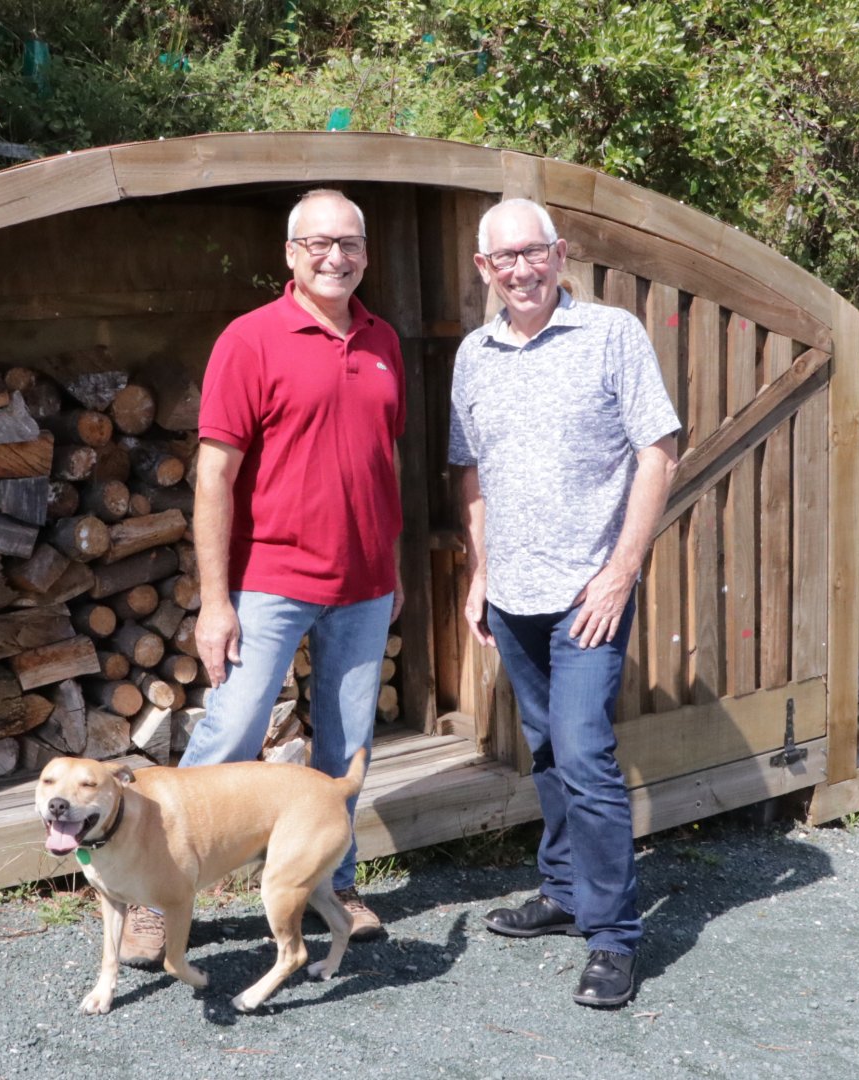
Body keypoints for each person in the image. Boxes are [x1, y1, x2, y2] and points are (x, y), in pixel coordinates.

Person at [119, 189, 406, 967]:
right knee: (234, 727)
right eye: (317, 243)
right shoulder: (250, 340)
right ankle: (153, 894)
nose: (334, 256)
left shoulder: (384, 340)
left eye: (348, 243)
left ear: (365, 253)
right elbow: (213, 477)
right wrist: (216, 601)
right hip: (272, 580)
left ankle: (332, 885)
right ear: (289, 253)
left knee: (349, 744)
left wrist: (396, 565)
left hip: (366, 584)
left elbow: (387, 463)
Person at [449, 198, 680, 1008]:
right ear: (485, 270)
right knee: (545, 749)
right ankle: (563, 891)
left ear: (561, 253)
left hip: (590, 594)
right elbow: (470, 470)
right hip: (513, 595)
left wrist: (621, 571)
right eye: (503, 259)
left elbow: (658, 452)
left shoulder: (611, 335)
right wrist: (480, 571)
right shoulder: (473, 355)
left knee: (584, 754)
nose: (520, 269)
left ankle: (614, 935)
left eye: (533, 253)